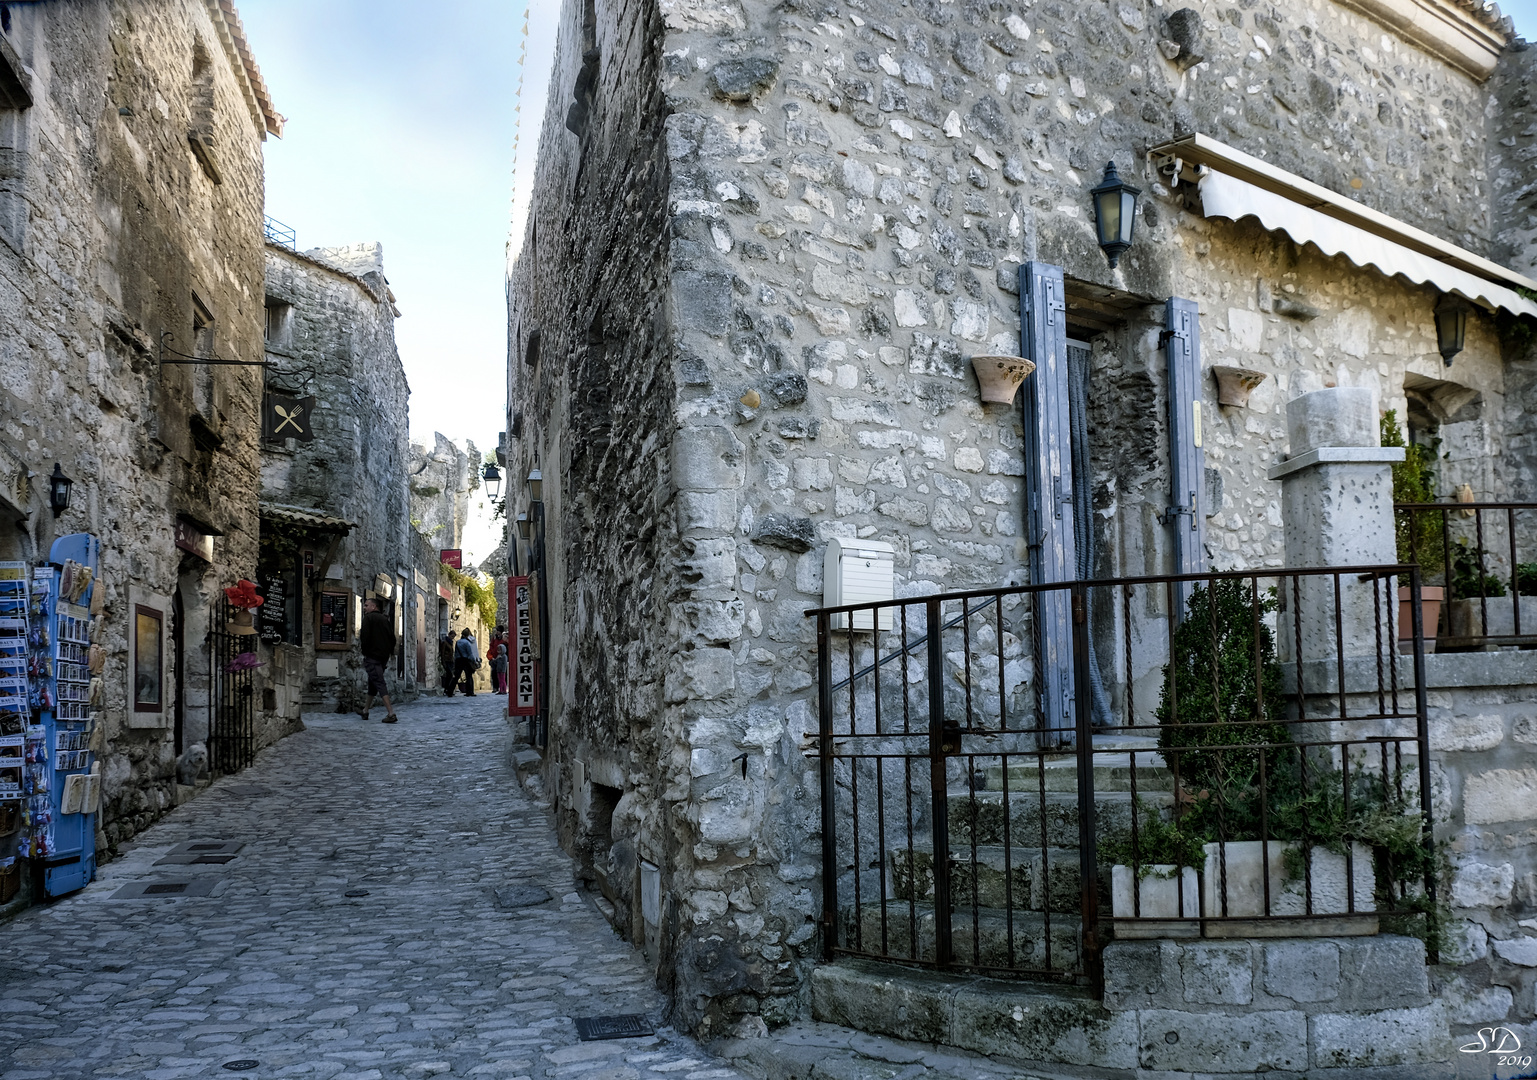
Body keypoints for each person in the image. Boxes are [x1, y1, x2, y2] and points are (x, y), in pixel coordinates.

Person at [358, 597, 398, 723]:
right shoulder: (385, 620)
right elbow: (393, 639)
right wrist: (389, 652)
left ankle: (391, 713)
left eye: (366, 605)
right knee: (373, 682)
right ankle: (365, 710)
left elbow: (364, 637)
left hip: (372, 656)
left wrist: (365, 652)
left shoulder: (368, 618)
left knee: (379, 682)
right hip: (383, 657)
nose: (364, 608)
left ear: (373, 607)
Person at [453, 627, 480, 696]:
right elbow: (470, 654)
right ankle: (470, 692)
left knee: (456, 676)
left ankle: (450, 691)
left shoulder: (458, 642)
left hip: (459, 660)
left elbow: (456, 653)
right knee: (469, 676)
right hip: (466, 660)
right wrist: (474, 661)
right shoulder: (467, 643)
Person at [438, 631, 456, 695]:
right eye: (452, 636)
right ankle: (446, 689)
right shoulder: (445, 642)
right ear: (449, 635)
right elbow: (442, 652)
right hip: (446, 660)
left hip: (450, 660)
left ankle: (447, 689)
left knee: (450, 675)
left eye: (453, 637)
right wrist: (443, 661)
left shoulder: (451, 643)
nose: (452, 638)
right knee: (449, 674)